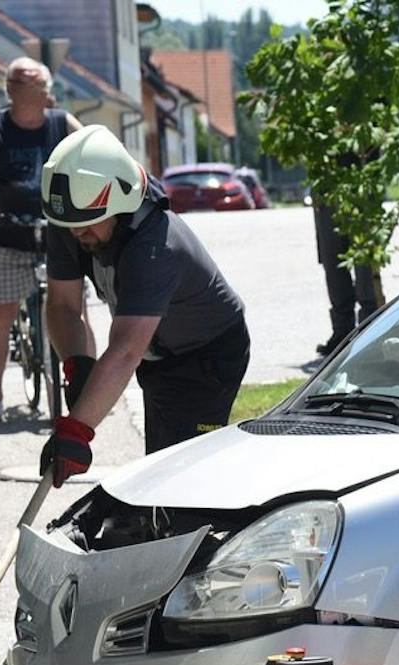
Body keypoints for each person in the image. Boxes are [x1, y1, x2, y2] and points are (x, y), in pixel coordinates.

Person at [38, 125, 250, 486]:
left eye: (88, 226)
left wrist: (77, 430)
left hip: (208, 356)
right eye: (70, 226)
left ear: (119, 204)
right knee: (161, 465)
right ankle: (168, 531)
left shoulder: (154, 247)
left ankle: (209, 531)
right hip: (159, 354)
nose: (77, 235)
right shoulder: (75, 216)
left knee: (189, 470)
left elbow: (124, 350)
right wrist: (77, 362)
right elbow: (61, 305)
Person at [0, 58, 84, 425]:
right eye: (23, 84)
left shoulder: (61, 123)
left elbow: (91, 150)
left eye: (38, 85)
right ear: (10, 89)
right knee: (2, 313)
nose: (33, 91)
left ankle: (85, 387)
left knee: (75, 311)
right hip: (10, 234)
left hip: (59, 233)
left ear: (46, 91)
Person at [312, 193, 383, 358]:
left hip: (360, 187)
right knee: (332, 260)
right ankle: (342, 332)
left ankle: (370, 329)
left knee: (365, 263)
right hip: (325, 186)